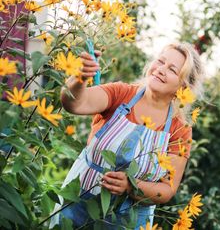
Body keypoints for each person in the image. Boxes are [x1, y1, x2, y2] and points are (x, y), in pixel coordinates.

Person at [49, 42, 204, 229]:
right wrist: (79, 79)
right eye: (160, 61)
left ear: (184, 86)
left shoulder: (180, 129)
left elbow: (167, 189)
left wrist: (131, 186)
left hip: (128, 219)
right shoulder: (122, 94)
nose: (161, 69)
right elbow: (74, 104)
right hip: (77, 202)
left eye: (172, 69)